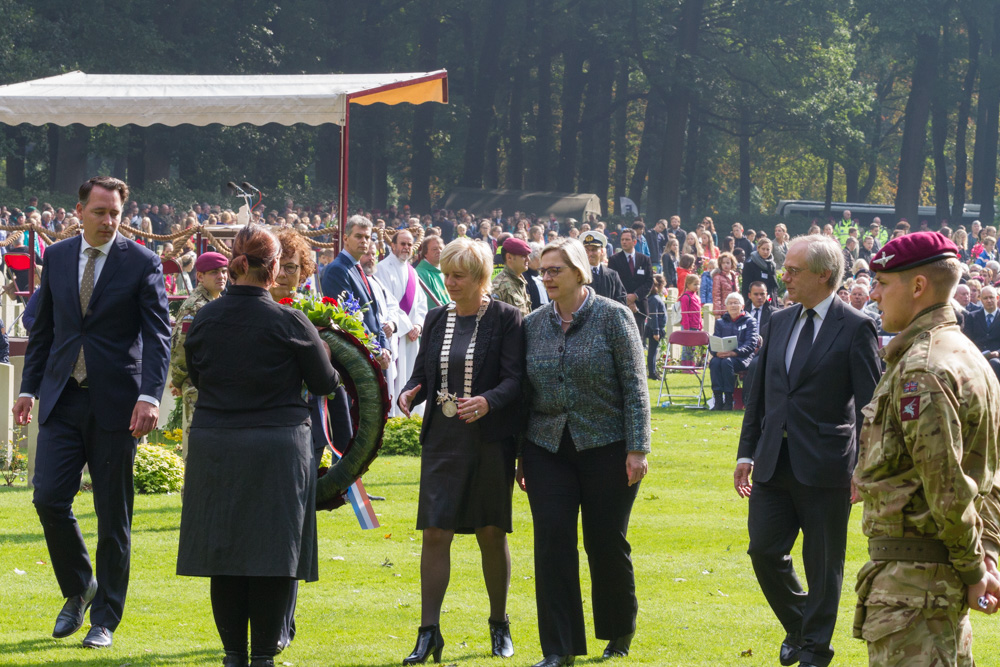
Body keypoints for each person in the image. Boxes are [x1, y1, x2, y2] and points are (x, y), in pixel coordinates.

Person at [14, 176, 171, 649]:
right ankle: (81, 586)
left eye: (115, 213)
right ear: (79, 211)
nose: (108, 221)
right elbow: (44, 329)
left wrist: (149, 396)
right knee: (48, 499)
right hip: (62, 397)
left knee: (112, 515)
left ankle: (105, 619)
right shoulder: (58, 256)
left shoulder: (141, 261)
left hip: (117, 404)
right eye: (99, 212)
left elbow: (158, 335)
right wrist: (28, 388)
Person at [853, 232, 1000, 665]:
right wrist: (985, 558)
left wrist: (975, 568)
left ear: (918, 286)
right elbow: (989, 475)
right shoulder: (968, 357)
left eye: (883, 283)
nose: (874, 294)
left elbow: (947, 486)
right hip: (935, 581)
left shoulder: (924, 368)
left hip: (916, 586)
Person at [734, 234, 881, 667]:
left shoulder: (855, 326)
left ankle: (815, 650)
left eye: (794, 270)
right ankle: (801, 627)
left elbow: (871, 406)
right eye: (785, 269)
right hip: (772, 462)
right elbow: (759, 394)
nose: (785, 277)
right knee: (764, 552)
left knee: (823, 564)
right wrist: (746, 453)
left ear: (825, 275)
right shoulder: (778, 320)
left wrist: (864, 467)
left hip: (827, 465)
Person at [519, 237, 650, 667]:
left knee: (604, 541)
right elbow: (524, 394)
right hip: (546, 448)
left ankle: (619, 627)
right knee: (552, 543)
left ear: (579, 272)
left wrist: (637, 448)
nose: (546, 277)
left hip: (607, 448)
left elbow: (635, 386)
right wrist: (521, 454)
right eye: (543, 270)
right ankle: (559, 648)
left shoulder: (613, 316)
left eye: (555, 269)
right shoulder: (532, 324)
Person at [397, 238, 524, 664]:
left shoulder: (506, 318)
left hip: (488, 441)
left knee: (490, 531)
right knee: (435, 531)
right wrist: (410, 392)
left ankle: (499, 624)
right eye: (447, 274)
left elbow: (515, 379)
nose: (450, 283)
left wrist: (488, 401)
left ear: (481, 278)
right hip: (442, 439)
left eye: (459, 276)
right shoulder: (436, 318)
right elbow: (423, 374)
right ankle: (428, 632)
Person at [169, 251, 229, 460]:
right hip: (198, 386)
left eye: (224, 271)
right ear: (200, 277)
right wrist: (178, 380)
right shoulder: (195, 307)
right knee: (199, 452)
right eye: (214, 272)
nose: (221, 276)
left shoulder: (217, 301)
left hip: (215, 385)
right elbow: (181, 347)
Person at [320, 215, 390, 368]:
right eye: (358, 236)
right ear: (345, 238)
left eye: (367, 237)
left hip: (370, 353)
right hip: (355, 357)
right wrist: (377, 351)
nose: (364, 241)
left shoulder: (358, 268)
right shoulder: (337, 270)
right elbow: (349, 317)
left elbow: (374, 314)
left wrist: (385, 347)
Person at [378, 229, 428, 417]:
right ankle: (395, 416)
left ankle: (411, 417)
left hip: (411, 337)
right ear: (393, 245)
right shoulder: (382, 268)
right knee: (396, 379)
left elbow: (421, 304)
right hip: (395, 334)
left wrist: (418, 326)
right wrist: (407, 326)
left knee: (411, 376)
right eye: (402, 244)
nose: (406, 247)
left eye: (409, 244)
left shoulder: (412, 271)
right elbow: (387, 303)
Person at [709, 292, 758, 410]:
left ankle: (729, 399)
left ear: (742, 306)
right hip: (723, 356)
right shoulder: (720, 322)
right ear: (726, 306)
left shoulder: (750, 321)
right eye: (730, 303)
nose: (733, 306)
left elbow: (751, 343)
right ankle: (718, 400)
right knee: (714, 362)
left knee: (727, 362)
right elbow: (714, 341)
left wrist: (735, 352)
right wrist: (716, 352)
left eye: (736, 303)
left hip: (742, 357)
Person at [607, 229, 653, 338]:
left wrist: (635, 296)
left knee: (639, 340)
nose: (624, 242)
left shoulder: (645, 259)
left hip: (639, 307)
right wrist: (626, 299)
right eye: (622, 239)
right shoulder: (614, 259)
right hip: (620, 306)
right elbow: (612, 282)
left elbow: (649, 281)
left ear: (634, 242)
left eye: (627, 239)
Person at [962, 284, 1000, 381]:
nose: (989, 300)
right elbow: (967, 340)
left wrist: (998, 352)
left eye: (991, 297)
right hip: (976, 356)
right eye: (985, 298)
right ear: (981, 300)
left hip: (997, 358)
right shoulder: (972, 317)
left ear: (997, 298)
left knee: (994, 363)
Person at [491, 236, 533, 317]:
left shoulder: (519, 280)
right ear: (509, 257)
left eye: (528, 256)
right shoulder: (500, 286)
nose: (528, 259)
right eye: (523, 256)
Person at [582, 231, 626, 305]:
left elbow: (621, 298)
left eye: (594, 250)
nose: (590, 254)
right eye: (587, 250)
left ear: (602, 251)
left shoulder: (612, 275)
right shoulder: (578, 274)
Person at [415, 235, 449, 308]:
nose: (439, 251)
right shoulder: (420, 273)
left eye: (441, 248)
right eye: (434, 249)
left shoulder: (445, 270)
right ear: (425, 253)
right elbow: (430, 303)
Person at [742, 238, 778, 304]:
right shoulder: (749, 264)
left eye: (768, 249)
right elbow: (746, 287)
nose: (765, 252)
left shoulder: (772, 265)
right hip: (754, 301)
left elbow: (773, 287)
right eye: (763, 249)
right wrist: (748, 303)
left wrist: (772, 301)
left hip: (769, 300)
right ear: (758, 248)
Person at [646, 275, 667, 380]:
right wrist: (656, 331)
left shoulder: (655, 298)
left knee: (654, 351)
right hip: (654, 329)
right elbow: (654, 316)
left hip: (657, 328)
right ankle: (652, 372)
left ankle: (653, 371)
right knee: (652, 351)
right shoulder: (654, 299)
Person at [678, 273, 703, 364]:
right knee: (686, 348)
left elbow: (699, 313)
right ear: (688, 285)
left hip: (696, 326)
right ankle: (685, 366)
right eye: (695, 284)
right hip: (688, 327)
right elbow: (685, 314)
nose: (697, 287)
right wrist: (686, 328)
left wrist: (700, 325)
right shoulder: (686, 297)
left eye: (698, 284)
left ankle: (692, 365)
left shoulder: (696, 297)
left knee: (693, 348)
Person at [712, 252, 739, 317]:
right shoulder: (718, 277)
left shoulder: (734, 276)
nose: (725, 265)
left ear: (732, 264)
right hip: (724, 310)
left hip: (734, 308)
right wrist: (717, 312)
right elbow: (716, 296)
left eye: (727, 263)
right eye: (723, 263)